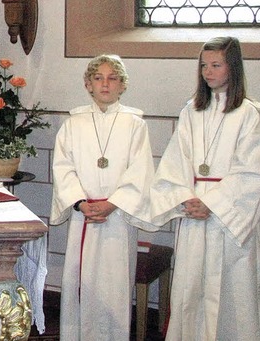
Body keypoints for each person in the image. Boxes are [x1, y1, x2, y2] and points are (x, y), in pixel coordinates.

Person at [149, 36, 260, 340]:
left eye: (216, 65)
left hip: (228, 220)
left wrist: (212, 202)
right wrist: (185, 198)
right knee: (192, 292)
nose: (208, 72)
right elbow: (175, 161)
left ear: (232, 67)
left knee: (233, 296)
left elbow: (252, 172)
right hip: (195, 215)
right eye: (204, 65)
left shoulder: (247, 114)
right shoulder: (190, 112)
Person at [50, 54, 155, 340]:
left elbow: (140, 171)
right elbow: (63, 167)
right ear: (88, 84)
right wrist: (81, 203)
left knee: (115, 287)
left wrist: (111, 204)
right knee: (79, 283)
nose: (105, 84)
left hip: (118, 218)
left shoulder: (135, 124)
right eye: (98, 78)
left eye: (112, 78)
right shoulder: (74, 123)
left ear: (123, 85)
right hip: (83, 216)